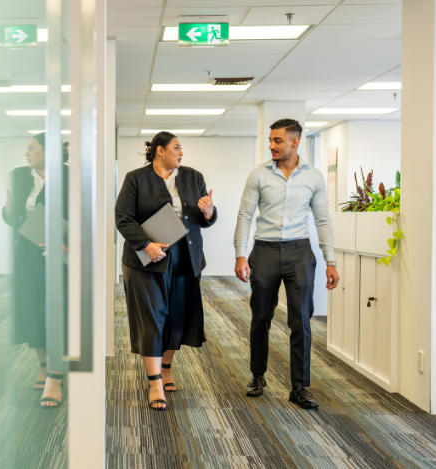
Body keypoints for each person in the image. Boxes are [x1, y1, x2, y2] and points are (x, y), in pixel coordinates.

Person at [233, 118, 339, 410]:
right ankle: (257, 375)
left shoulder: (314, 177)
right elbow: (245, 216)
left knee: (301, 321)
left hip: (300, 253)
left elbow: (323, 219)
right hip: (264, 252)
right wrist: (240, 254)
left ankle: (299, 387)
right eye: (270, 140)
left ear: (295, 141)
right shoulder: (259, 175)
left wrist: (331, 260)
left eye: (277, 140)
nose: (271, 146)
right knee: (261, 318)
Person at [115, 131, 218, 411]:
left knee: (177, 316)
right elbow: (123, 218)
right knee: (152, 317)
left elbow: (202, 218)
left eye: (181, 148)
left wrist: (209, 212)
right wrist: (145, 245)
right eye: (176, 147)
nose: (181, 152)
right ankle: (155, 380)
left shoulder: (193, 177)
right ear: (160, 151)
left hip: (185, 258)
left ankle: (167, 366)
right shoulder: (136, 178)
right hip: (146, 260)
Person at [3, 133, 69, 409]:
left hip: (59, 253)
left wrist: (67, 244)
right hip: (28, 253)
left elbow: (84, 215)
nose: (26, 153)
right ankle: (43, 364)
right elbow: (13, 216)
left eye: (32, 148)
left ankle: (56, 375)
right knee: (31, 309)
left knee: (55, 312)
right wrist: (7, 209)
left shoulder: (69, 178)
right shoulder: (19, 176)